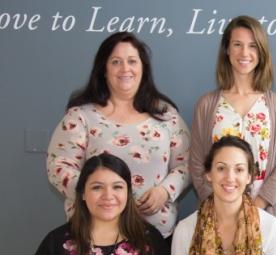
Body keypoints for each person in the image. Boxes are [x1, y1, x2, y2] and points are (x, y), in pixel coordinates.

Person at [46, 32, 190, 239]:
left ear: (143, 69)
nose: (125, 69)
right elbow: (59, 166)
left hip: (155, 237)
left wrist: (165, 192)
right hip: (94, 237)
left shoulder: (166, 115)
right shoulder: (81, 117)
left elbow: (187, 164)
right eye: (116, 62)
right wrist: (101, 196)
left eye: (132, 61)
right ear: (104, 69)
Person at [190, 15, 276, 227]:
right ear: (227, 49)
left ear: (261, 52)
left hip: (264, 214)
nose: (245, 53)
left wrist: (255, 209)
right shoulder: (207, 104)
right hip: (217, 217)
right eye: (237, 44)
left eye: (253, 46)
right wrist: (222, 210)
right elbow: (198, 163)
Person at [29, 153, 171, 255]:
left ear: (128, 193)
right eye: (97, 187)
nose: (108, 196)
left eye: (117, 187)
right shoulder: (55, 244)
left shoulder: (150, 241)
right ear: (83, 193)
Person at [172, 136, 276, 255]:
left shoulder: (271, 228)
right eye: (221, 168)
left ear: (249, 177)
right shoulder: (185, 230)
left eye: (239, 169)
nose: (230, 177)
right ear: (208, 174)